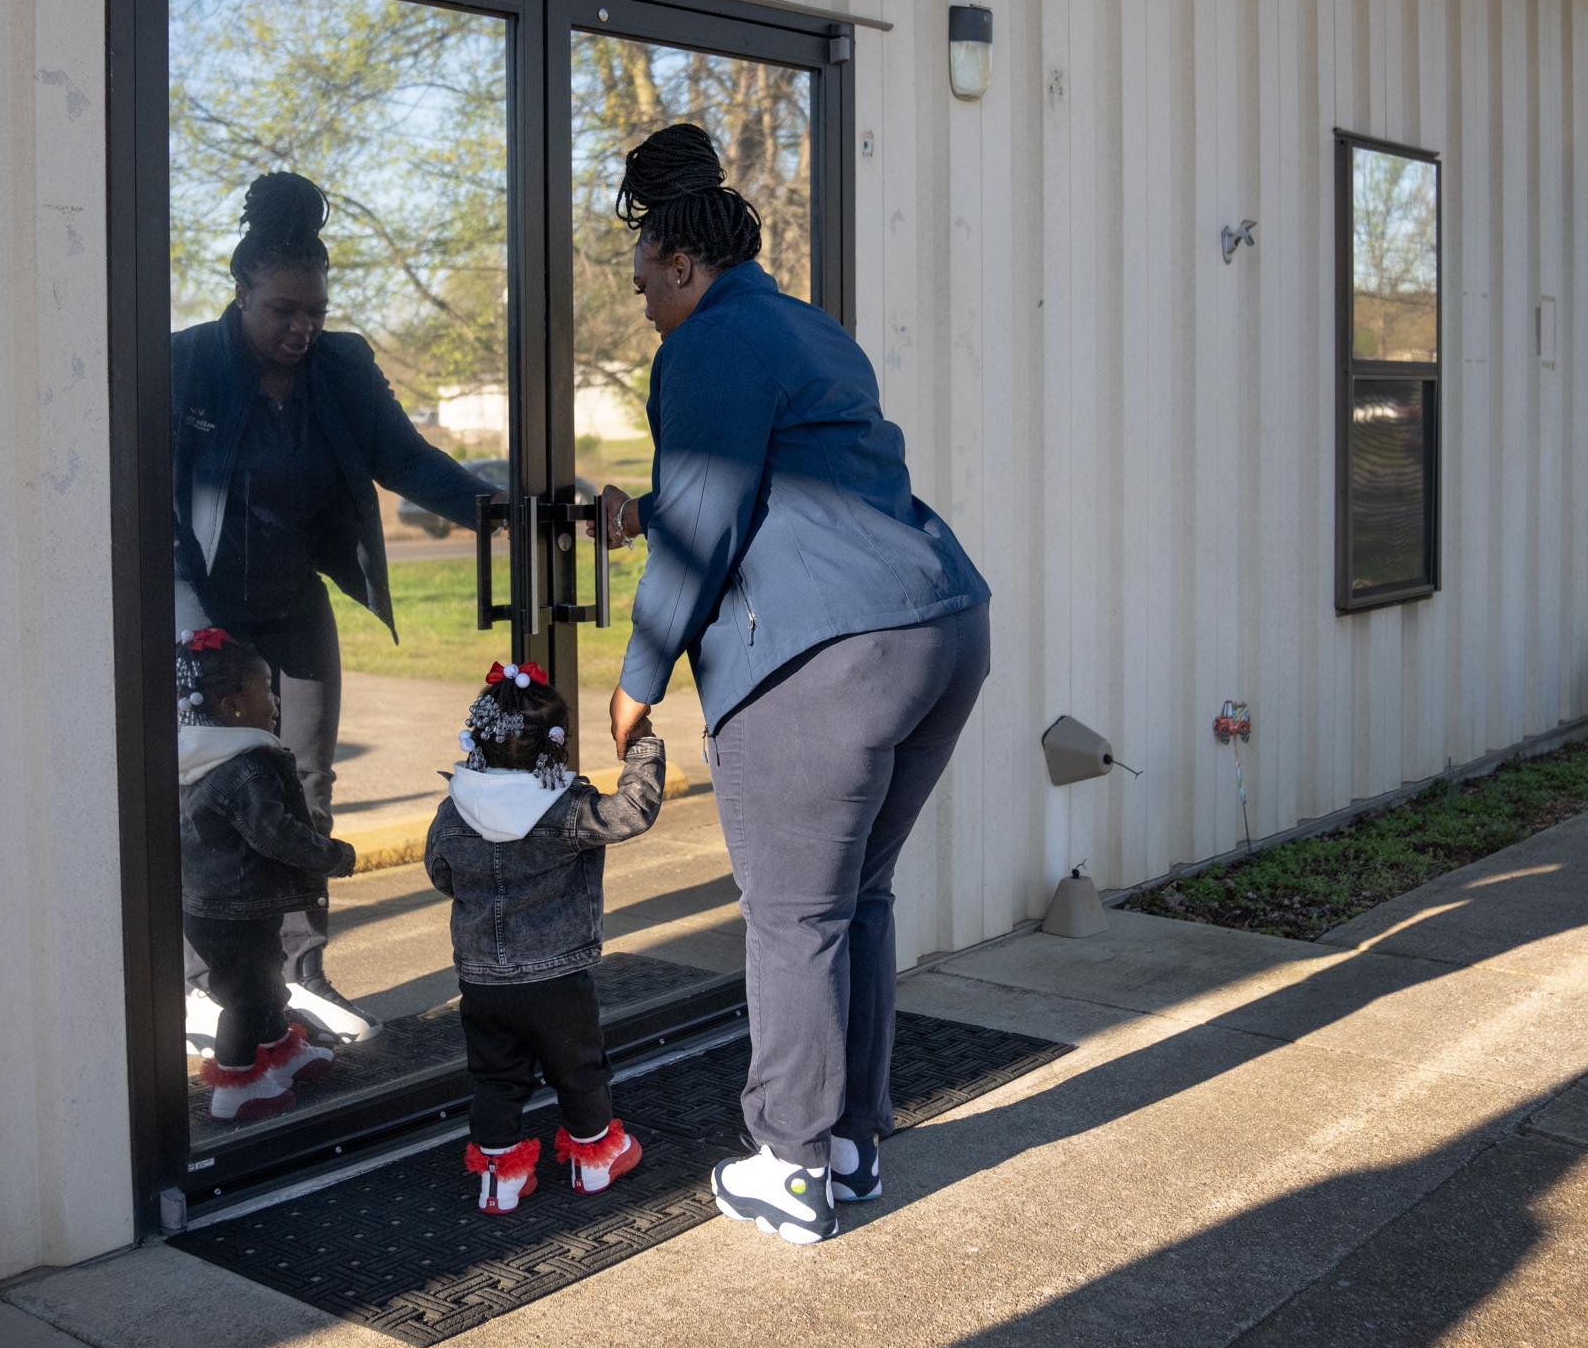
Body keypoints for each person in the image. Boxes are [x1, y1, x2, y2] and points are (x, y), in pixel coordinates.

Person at [599, 124, 990, 1244]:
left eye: (643, 288)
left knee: (790, 916)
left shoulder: (709, 341)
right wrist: (655, 506)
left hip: (832, 655)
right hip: (941, 626)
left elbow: (713, 521)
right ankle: (851, 1143)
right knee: (851, 900)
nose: (643, 309)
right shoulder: (804, 325)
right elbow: (772, 488)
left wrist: (637, 678)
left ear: (680, 263)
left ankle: (787, 1163)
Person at [172, 172, 491, 1047]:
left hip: (291, 606)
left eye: (312, 309)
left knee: (305, 789)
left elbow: (411, 462)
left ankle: (299, 971)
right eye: (281, 309)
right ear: (240, 295)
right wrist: (193, 629)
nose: (300, 327)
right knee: (212, 799)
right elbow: (155, 505)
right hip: (205, 621)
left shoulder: (340, 366)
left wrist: (505, 513)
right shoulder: (186, 363)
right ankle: (208, 982)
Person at [423, 660, 663, 1214]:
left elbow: (442, 874)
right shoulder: (568, 808)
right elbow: (632, 812)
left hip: (481, 979)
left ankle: (499, 1182)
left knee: (496, 1078)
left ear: (477, 742)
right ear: (556, 748)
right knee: (578, 1069)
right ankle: (594, 1163)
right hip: (556, 978)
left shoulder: (453, 809)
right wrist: (642, 745)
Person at [177, 629, 349, 1122]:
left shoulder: (192, 759)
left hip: (218, 905)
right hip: (237, 906)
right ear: (233, 707)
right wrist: (332, 856)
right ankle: (236, 1084)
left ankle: (280, 1048)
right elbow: (277, 835)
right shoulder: (244, 769)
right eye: (265, 688)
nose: (275, 700)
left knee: (264, 975)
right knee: (244, 999)